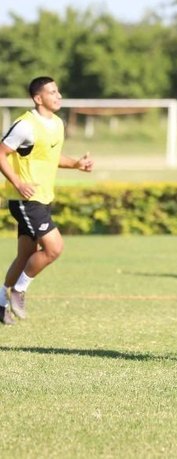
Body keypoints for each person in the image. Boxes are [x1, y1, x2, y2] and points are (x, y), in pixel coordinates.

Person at [0, 76, 94, 325]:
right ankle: (19, 290)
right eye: (52, 92)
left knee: (25, 255)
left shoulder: (57, 124)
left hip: (42, 199)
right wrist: (18, 183)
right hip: (25, 200)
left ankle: (0, 302)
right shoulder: (25, 125)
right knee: (54, 248)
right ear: (38, 98)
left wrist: (76, 164)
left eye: (58, 90)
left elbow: (51, 156)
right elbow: (1, 153)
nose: (59, 95)